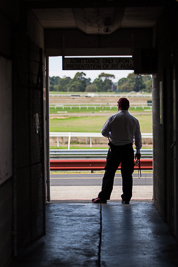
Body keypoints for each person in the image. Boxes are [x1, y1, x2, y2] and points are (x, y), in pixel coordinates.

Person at [92, 97, 142, 204]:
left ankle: (104, 196)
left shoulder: (113, 118)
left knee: (109, 173)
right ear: (128, 106)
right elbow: (138, 137)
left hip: (114, 150)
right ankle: (126, 198)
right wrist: (138, 151)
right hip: (128, 150)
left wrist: (112, 135)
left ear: (118, 106)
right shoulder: (134, 120)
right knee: (127, 175)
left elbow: (104, 132)